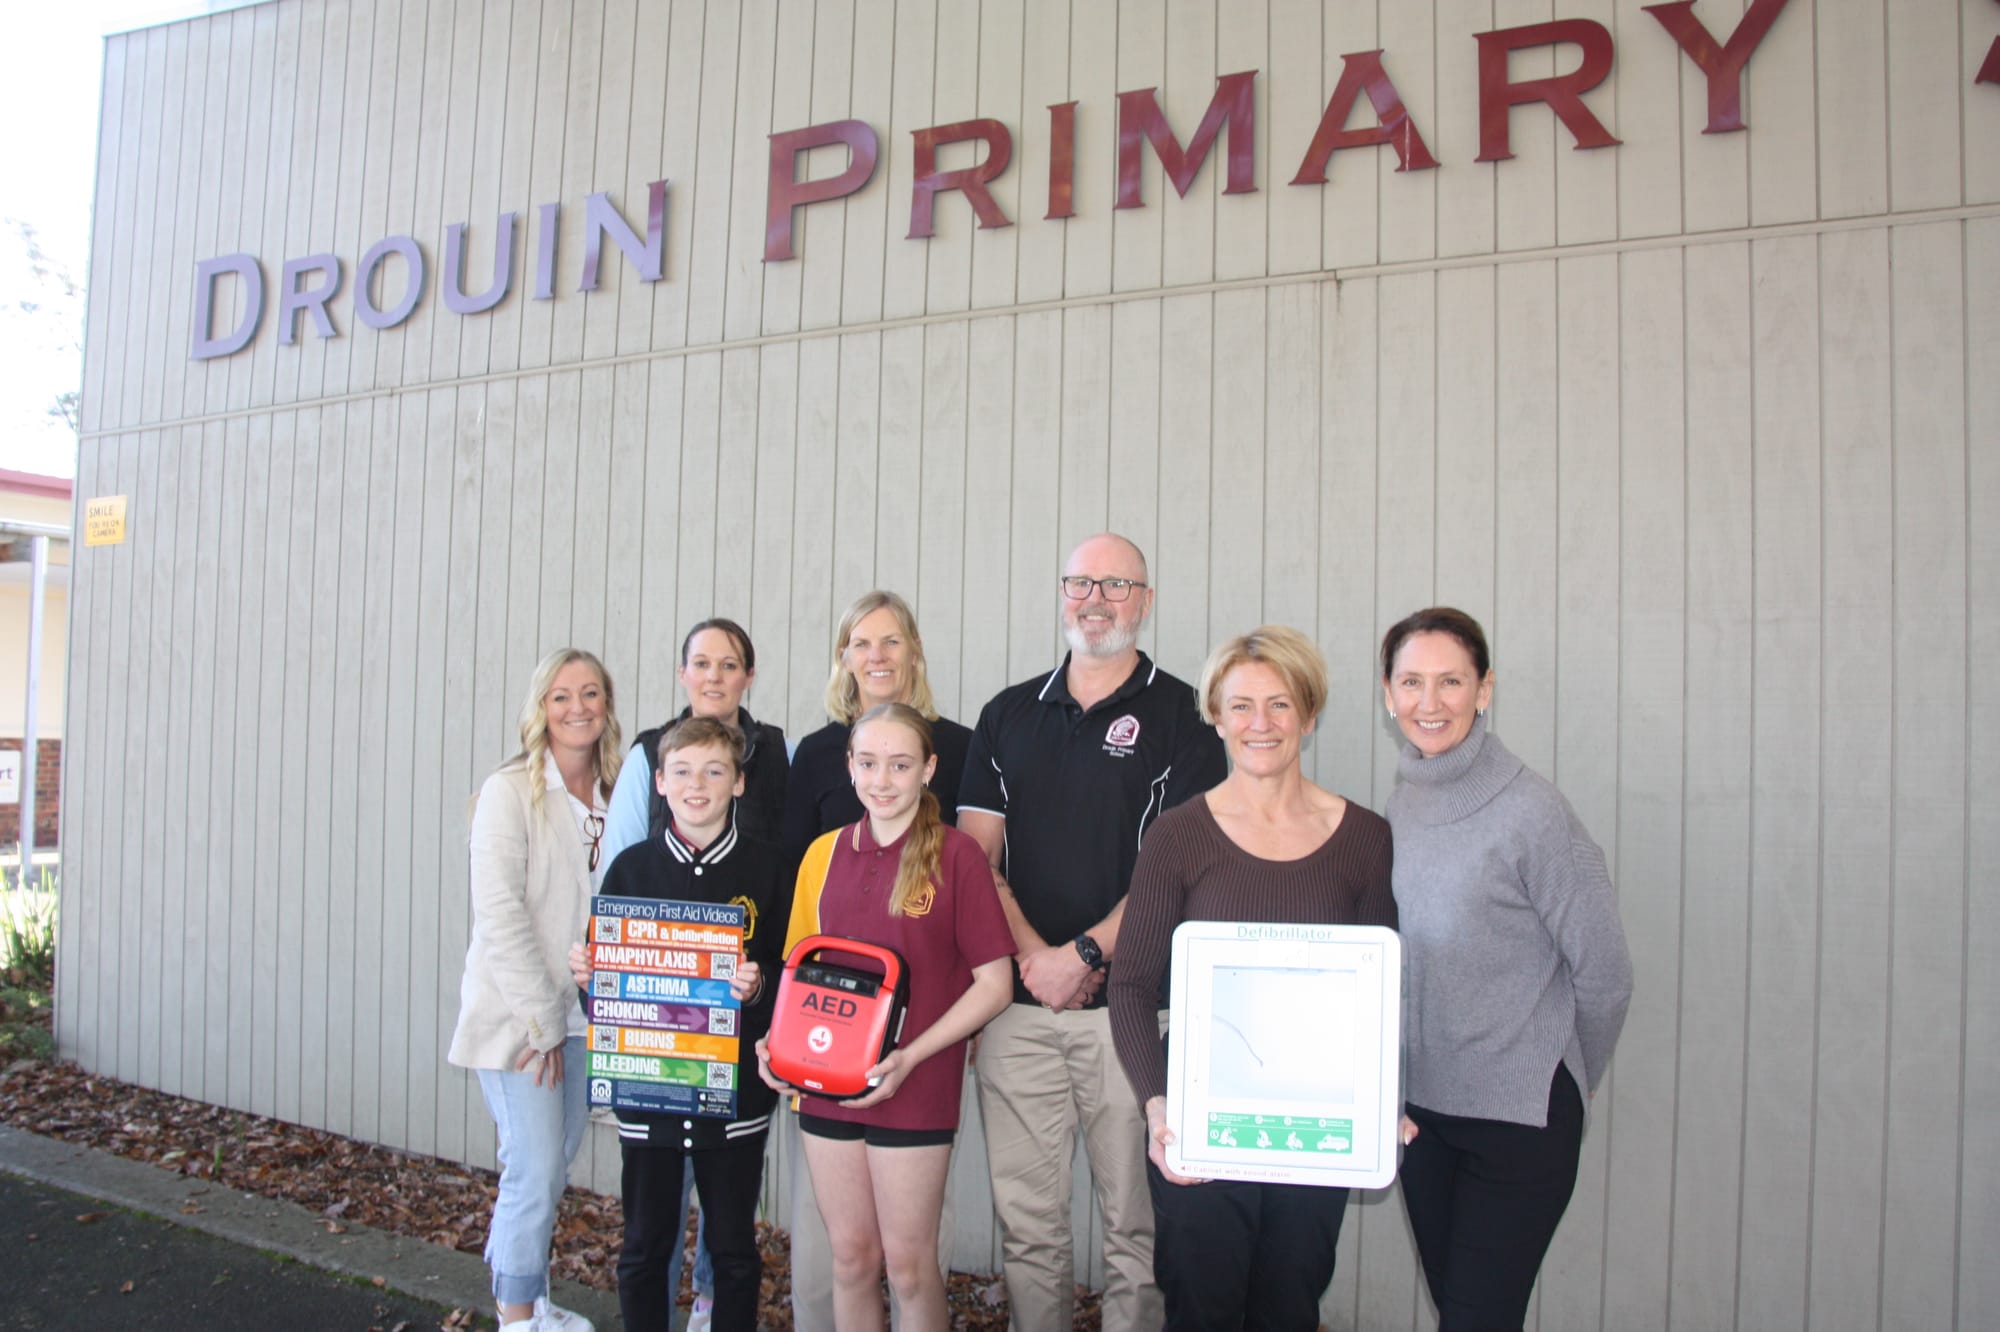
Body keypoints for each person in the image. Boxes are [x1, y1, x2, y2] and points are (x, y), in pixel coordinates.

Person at [957, 533, 1227, 1332]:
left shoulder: (1187, 716)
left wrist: (1083, 954)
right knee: (1029, 1229)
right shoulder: (1007, 714)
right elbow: (974, 859)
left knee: (1133, 1232)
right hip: (1021, 1015)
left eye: (1116, 584)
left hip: (1134, 1019)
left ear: (1145, 602)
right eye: (1081, 582)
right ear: (1062, 593)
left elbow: (1173, 869)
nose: (1095, 599)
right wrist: (1037, 962)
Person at [1109, 626, 1397, 1330]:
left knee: (1289, 1306)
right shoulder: (1177, 836)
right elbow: (1131, 984)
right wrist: (1157, 1109)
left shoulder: (1364, 837)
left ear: (1310, 712)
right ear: (1215, 715)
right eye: (1240, 706)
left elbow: (1380, 993)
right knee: (1202, 1307)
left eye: (1279, 704)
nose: (1259, 724)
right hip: (1202, 1124)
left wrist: (1387, 1094)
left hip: (1314, 1127)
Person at [1379, 607, 1633, 1331]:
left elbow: (1607, 974)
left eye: (1451, 681)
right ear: (1388, 695)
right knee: (1461, 1308)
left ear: (1484, 690)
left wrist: (1564, 1077)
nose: (1430, 703)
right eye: (1412, 682)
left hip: (1518, 1124)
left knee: (1477, 1320)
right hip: (1425, 1120)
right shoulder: (1402, 805)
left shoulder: (1533, 813)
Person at [756, 703, 1015, 1332]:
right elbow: (800, 967)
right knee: (850, 1258)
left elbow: (996, 986)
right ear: (848, 767)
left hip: (914, 1084)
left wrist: (913, 1056)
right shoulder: (821, 854)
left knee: (908, 1265)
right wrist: (775, 1044)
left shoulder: (956, 857)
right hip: (824, 1083)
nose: (882, 779)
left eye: (900, 764)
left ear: (928, 768)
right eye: (868, 763)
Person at [777, 589, 974, 1331]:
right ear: (845, 657)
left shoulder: (957, 744)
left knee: (912, 1250)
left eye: (892, 642)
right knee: (842, 1248)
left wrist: (957, 1025)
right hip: (827, 1036)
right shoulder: (818, 754)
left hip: (921, 1036)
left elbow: (970, 894)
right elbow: (799, 899)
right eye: (862, 643)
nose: (878, 656)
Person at [565, 717, 784, 1332]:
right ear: (659, 782)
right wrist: (591, 980)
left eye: (715, 771)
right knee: (642, 1248)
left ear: (738, 783)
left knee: (735, 1252)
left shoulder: (771, 869)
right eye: (682, 771)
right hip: (649, 1093)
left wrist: (759, 982)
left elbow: (788, 972)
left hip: (735, 1096)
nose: (698, 785)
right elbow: (604, 1000)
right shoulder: (630, 871)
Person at [448, 648, 622, 1332]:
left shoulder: (618, 791)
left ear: (606, 704)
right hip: (525, 1021)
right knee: (535, 1165)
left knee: (548, 1171)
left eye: (590, 694)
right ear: (540, 709)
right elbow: (499, 914)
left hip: (588, 1020)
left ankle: (529, 1296)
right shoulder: (510, 790)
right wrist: (543, 1022)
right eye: (560, 696)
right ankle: (516, 1317)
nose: (577, 707)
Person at [606, 617, 789, 858]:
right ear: (683, 674)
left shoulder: (782, 752)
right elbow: (619, 864)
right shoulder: (646, 756)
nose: (714, 677)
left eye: (729, 666)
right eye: (701, 664)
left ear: (749, 677)